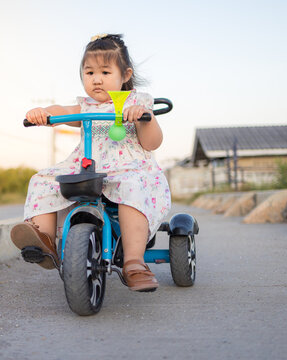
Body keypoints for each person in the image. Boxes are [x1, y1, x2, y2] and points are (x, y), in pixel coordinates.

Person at [10, 33, 171, 292]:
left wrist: (145, 119)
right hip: (88, 167)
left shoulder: (136, 103)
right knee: (43, 179)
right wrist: (44, 113)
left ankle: (134, 263)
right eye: (89, 73)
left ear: (125, 74)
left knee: (131, 186)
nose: (96, 79)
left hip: (128, 168)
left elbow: (153, 143)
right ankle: (44, 240)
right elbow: (61, 111)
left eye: (106, 72)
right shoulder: (84, 107)